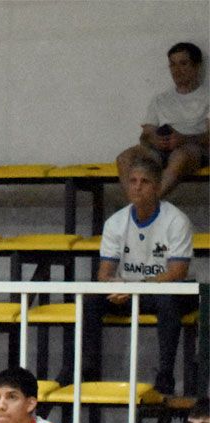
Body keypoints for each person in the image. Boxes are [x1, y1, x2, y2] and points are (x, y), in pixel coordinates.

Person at [79, 155, 195, 396]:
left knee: (168, 301)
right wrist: (114, 286)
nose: (137, 187)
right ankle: (87, 371)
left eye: (145, 181)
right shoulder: (115, 222)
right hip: (129, 291)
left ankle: (165, 376)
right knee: (90, 300)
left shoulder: (176, 220)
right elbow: (104, 274)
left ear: (157, 187)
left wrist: (135, 288)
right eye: (132, 181)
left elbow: (177, 272)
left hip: (166, 291)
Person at [116, 42, 209, 198]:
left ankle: (149, 203)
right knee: (124, 158)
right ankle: (136, 203)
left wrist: (183, 139)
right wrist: (154, 139)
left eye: (183, 64)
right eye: (172, 65)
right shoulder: (160, 100)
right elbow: (145, 135)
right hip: (160, 150)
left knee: (179, 156)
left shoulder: (207, 96)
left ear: (196, 66)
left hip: (193, 149)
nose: (176, 70)